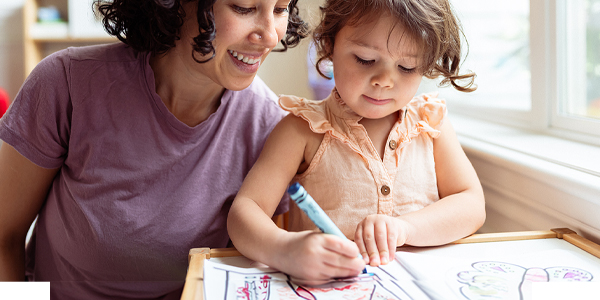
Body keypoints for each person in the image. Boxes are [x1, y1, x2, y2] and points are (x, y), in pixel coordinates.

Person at [0, 0, 307, 299]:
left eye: (280, 9)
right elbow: (5, 237)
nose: (271, 35)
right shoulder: (66, 81)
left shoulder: (271, 129)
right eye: (244, 8)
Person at [227, 0, 486, 283]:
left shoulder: (430, 123)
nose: (385, 80)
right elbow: (244, 213)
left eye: (407, 67)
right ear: (329, 46)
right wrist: (284, 249)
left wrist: (405, 228)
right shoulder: (302, 129)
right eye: (365, 59)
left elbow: (471, 204)